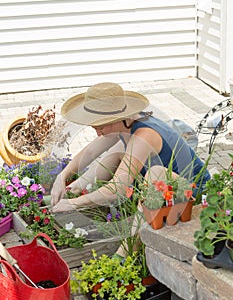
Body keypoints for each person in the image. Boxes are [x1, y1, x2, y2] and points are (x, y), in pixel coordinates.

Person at [51, 82, 210, 213]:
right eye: (94, 128)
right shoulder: (125, 124)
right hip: (162, 183)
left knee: (152, 173)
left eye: (101, 127)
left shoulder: (144, 135)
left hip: (193, 191)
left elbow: (117, 188)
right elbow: (90, 151)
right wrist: (63, 177)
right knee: (117, 150)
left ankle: (131, 247)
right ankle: (74, 189)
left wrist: (76, 204)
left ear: (118, 118)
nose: (99, 133)